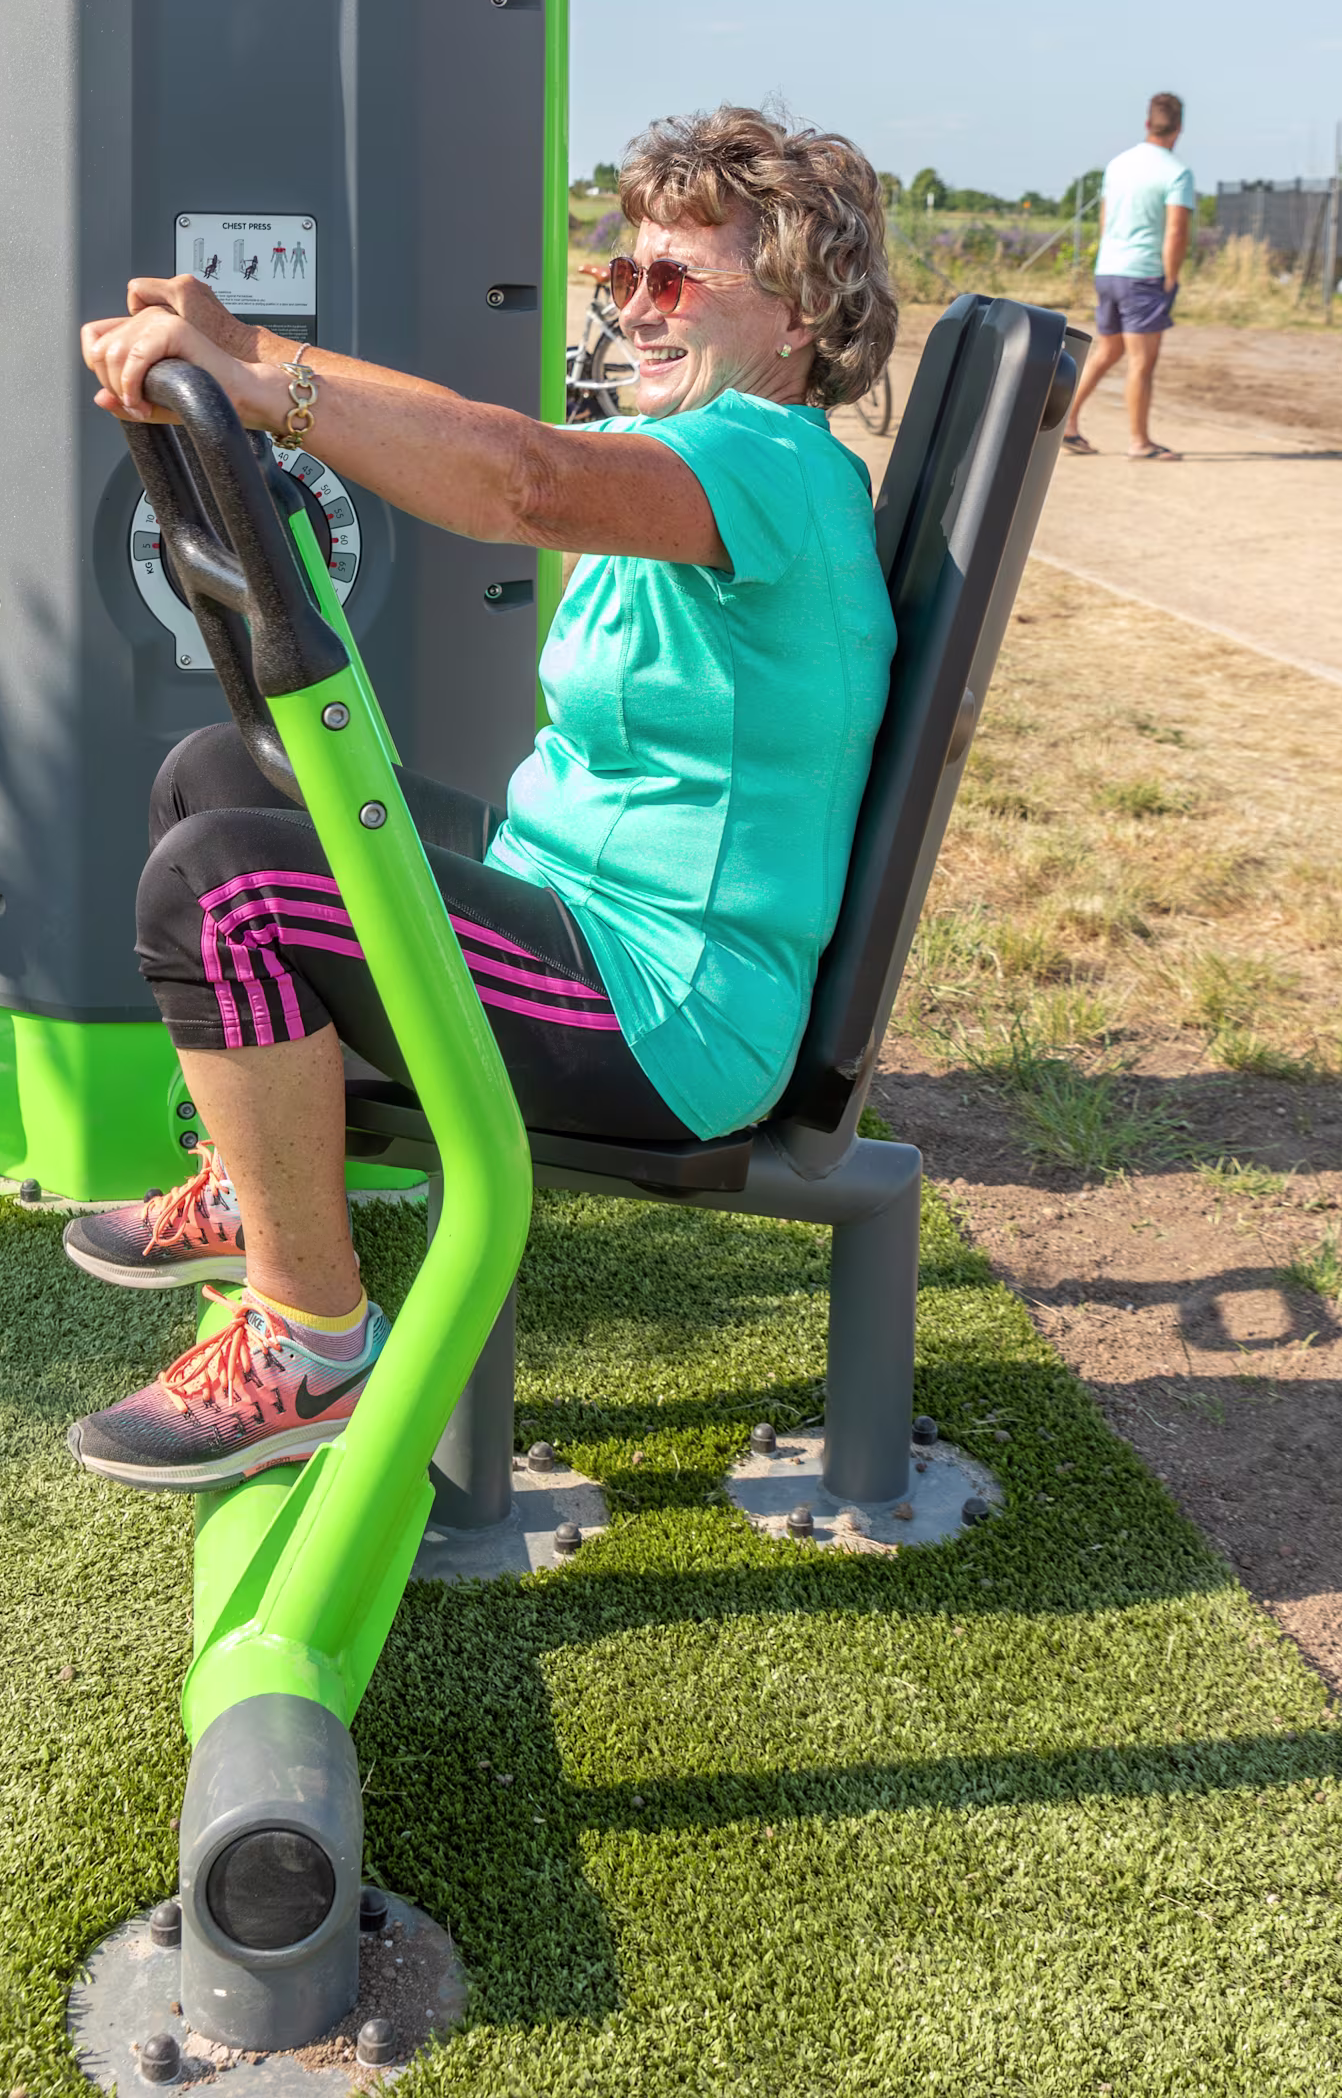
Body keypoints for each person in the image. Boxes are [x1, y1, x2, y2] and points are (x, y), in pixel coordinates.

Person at [61, 107, 900, 1491]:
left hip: (663, 1009)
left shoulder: (762, 462)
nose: (631, 306)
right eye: (620, 275)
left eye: (672, 280)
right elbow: (489, 444)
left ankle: (315, 1346)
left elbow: (514, 474)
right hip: (570, 904)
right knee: (216, 776)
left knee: (227, 886)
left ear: (800, 309)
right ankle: (249, 1184)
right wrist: (241, 349)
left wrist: (260, 379)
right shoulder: (688, 443)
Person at [1064, 92, 1196, 460]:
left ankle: (1067, 423)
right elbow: (1176, 233)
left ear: (1147, 123)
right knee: (1142, 361)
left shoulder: (1118, 165)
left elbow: (1105, 220)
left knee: (1108, 349)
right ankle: (1140, 441)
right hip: (1143, 276)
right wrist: (1170, 278)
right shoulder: (1177, 172)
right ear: (1180, 127)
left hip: (1109, 268)